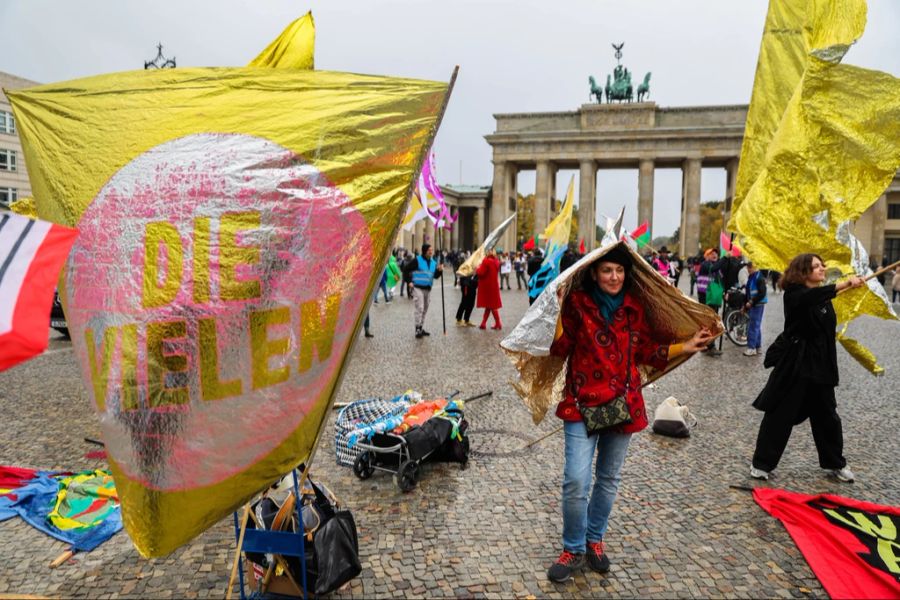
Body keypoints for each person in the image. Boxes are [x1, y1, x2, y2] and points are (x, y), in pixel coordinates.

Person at [546, 245, 713, 583]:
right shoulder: (577, 304)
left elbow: (647, 351)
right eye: (607, 270)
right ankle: (573, 547)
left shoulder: (635, 309)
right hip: (581, 404)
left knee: (608, 480)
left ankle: (594, 541)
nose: (614, 277)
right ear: (594, 273)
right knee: (576, 480)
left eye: (619, 271)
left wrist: (687, 346)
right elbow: (559, 349)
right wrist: (558, 308)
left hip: (624, 404)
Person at [750, 253, 865, 483]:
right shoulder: (794, 295)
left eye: (823, 264)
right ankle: (761, 464)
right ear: (803, 272)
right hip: (797, 366)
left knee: (828, 417)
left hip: (820, 367)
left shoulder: (821, 297)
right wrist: (843, 283)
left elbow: (821, 308)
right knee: (780, 415)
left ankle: (835, 463)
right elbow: (809, 299)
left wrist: (847, 288)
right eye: (816, 266)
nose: (823, 268)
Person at [403, 243, 443, 338]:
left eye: (432, 250)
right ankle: (417, 329)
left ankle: (420, 327)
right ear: (425, 251)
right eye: (429, 250)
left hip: (427, 289)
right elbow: (406, 269)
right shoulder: (417, 260)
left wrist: (439, 271)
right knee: (419, 308)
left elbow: (435, 276)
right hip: (417, 287)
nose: (431, 252)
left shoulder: (433, 263)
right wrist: (409, 281)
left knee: (425, 309)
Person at [742, 261, 767, 356]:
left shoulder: (759, 277)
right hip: (754, 304)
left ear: (754, 267)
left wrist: (751, 302)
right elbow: (748, 293)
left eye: (750, 267)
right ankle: (758, 347)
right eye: (748, 267)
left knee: (753, 326)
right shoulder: (752, 277)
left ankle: (751, 348)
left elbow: (762, 293)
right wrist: (745, 305)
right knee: (756, 325)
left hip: (758, 304)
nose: (748, 269)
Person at [475, 249, 503, 329]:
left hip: (487, 286)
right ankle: (483, 323)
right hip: (494, 286)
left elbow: (481, 272)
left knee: (492, 306)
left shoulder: (486, 261)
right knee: (490, 305)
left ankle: (498, 323)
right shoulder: (496, 261)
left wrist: (477, 268)